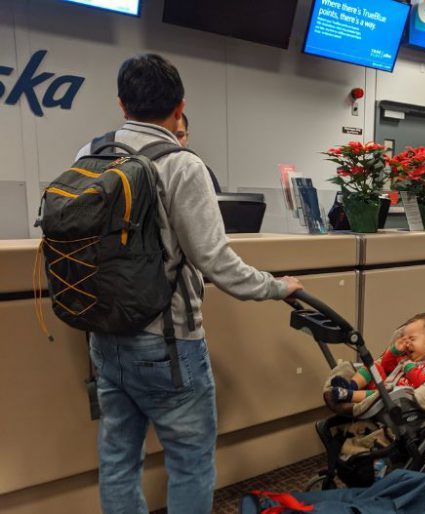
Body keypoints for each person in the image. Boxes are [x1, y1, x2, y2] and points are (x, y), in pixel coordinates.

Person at [77, 54, 302, 514]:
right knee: (191, 462)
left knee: (118, 459)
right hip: (169, 343)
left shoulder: (89, 155)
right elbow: (215, 260)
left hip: (104, 337)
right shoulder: (182, 165)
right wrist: (277, 287)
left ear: (122, 105)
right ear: (180, 106)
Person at [330, 313, 425, 403]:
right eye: (404, 339)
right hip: (384, 385)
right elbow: (386, 365)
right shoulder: (404, 358)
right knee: (374, 366)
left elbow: (424, 385)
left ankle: (349, 395)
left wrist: (410, 368)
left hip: (397, 398)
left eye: (412, 339)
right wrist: (394, 352)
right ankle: (351, 385)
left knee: (380, 395)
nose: (407, 343)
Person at [175, 112, 223, 193]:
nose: (174, 141)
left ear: (187, 137)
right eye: (169, 136)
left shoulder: (202, 171)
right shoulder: (150, 171)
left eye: (179, 135)